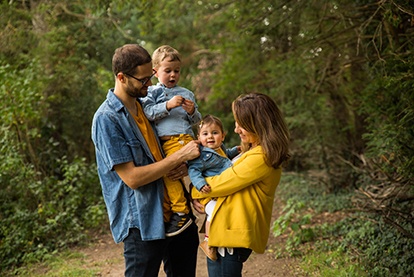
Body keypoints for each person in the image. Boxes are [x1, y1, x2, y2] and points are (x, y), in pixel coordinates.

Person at [91, 44, 201, 277]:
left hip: (178, 217)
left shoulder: (147, 106)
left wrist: (184, 170)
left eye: (150, 76)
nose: (149, 84)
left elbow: (165, 151)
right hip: (143, 223)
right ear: (121, 77)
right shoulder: (107, 119)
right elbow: (132, 178)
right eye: (142, 80)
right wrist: (180, 156)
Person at [191, 93, 291, 276]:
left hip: (233, 235)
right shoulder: (250, 151)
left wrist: (195, 191)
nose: (236, 130)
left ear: (258, 124)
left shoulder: (261, 157)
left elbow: (221, 184)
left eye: (241, 124)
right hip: (222, 232)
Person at [142, 45, 202, 237]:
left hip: (182, 139)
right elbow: (149, 113)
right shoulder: (151, 92)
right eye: (167, 71)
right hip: (164, 142)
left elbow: (196, 121)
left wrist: (192, 111)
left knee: (172, 174)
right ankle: (194, 207)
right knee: (176, 174)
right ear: (155, 71)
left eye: (176, 71)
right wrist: (168, 105)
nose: (172, 75)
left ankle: (181, 212)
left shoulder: (186, 93)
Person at [187, 114, 240, 261]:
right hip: (207, 194)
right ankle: (208, 241)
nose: (210, 137)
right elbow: (193, 170)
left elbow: (226, 156)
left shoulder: (220, 148)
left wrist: (236, 150)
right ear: (199, 137)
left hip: (219, 192)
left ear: (222, 136)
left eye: (215, 133)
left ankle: (218, 236)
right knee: (215, 211)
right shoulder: (202, 155)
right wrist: (200, 184)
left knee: (221, 211)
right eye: (205, 134)